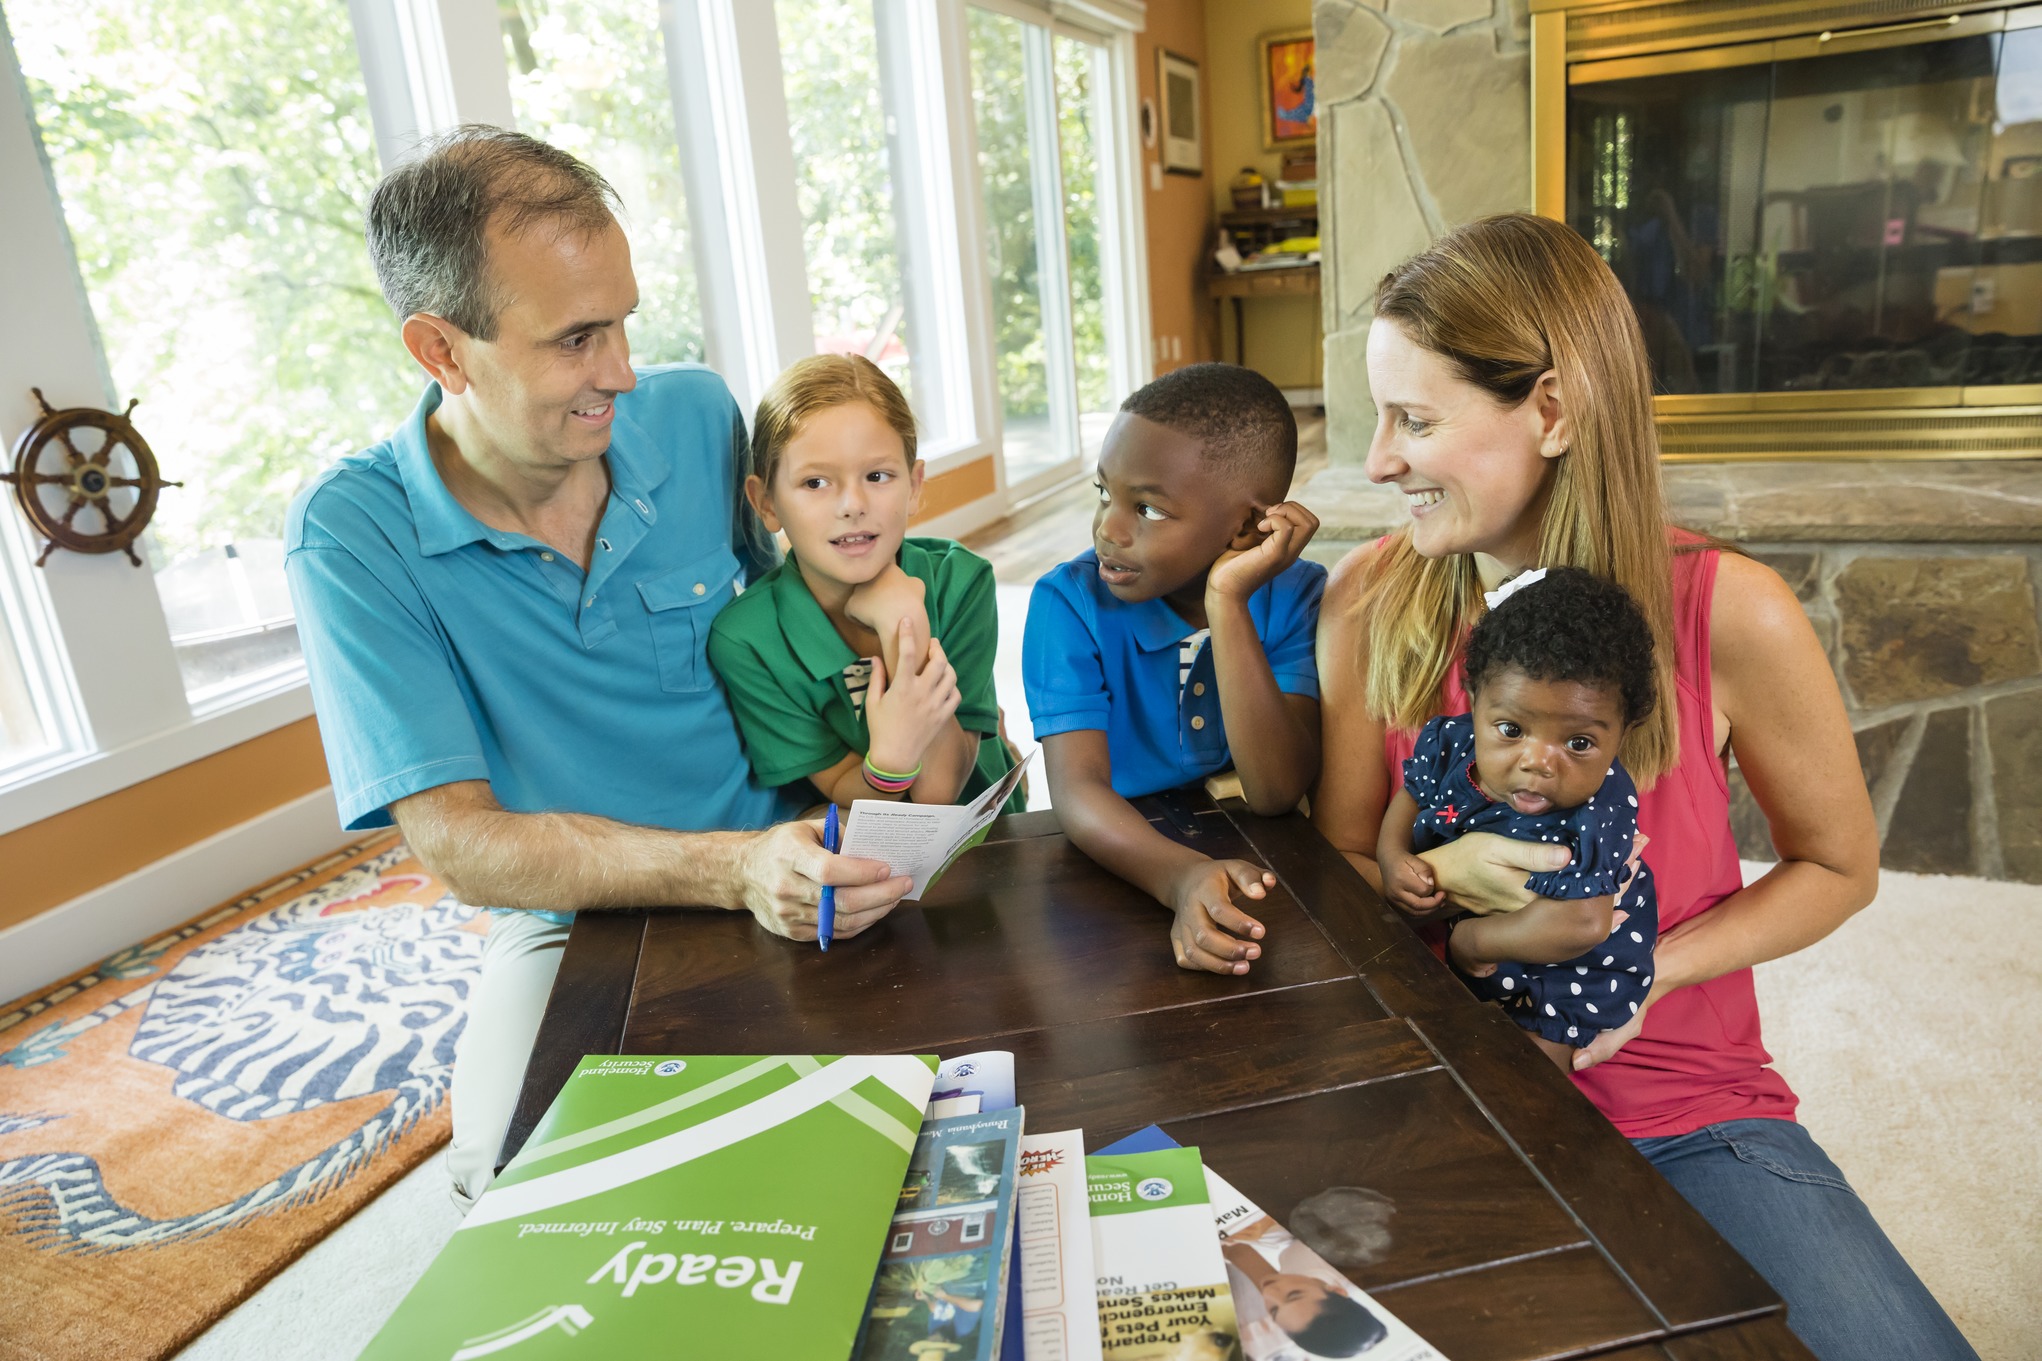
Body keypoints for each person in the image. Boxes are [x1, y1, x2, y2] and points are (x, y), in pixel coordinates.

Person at [1313, 212, 1975, 1361]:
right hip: (1437, 1089)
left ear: (1554, 412)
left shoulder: (1730, 609)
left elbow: (1839, 865)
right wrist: (1431, 894)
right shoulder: (1370, 600)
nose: (1374, 462)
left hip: (1682, 1106)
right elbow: (1334, 885)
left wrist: (1638, 973)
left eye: (1413, 420)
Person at [284, 126, 911, 1209]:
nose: (619, 372)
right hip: (579, 925)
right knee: (515, 1201)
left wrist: (879, 599)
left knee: (936, 1130)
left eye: (623, 321)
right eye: (576, 338)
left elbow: (795, 614)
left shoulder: (697, 413)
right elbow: (464, 847)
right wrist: (729, 869)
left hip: (811, 853)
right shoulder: (351, 535)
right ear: (441, 351)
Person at [1022, 363, 1324, 977]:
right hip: (1113, 862)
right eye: (1105, 493)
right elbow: (1078, 791)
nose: (1108, 528)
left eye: (1150, 510)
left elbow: (1274, 791)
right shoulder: (1069, 603)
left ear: (1245, 526)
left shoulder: (1296, 595)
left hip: (1252, 860)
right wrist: (1180, 877)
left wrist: (1229, 603)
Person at [1377, 566, 1658, 1071]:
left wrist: (1471, 943)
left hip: (1567, 979)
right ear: (1475, 696)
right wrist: (1392, 856)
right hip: (1473, 967)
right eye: (1510, 728)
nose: (1538, 761)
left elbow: (1585, 923)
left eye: (1578, 743)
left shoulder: (1602, 807)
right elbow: (1412, 795)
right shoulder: (1452, 742)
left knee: (1508, 1092)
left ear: (1623, 732)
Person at [707, 354, 1018, 811]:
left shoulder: (961, 583)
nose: (853, 504)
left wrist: (905, 626)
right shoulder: (746, 641)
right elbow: (840, 786)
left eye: (877, 476)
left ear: (913, 486)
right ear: (766, 502)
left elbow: (939, 793)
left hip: (996, 840)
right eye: (815, 482)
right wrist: (890, 761)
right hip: (871, 856)